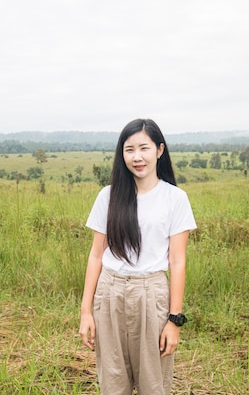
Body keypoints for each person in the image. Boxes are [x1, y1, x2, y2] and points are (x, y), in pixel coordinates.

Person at [79, 118, 197, 394]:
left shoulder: (175, 199)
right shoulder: (108, 196)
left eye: (144, 148)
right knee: (112, 381)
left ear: (159, 150)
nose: (137, 157)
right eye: (129, 149)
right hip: (109, 293)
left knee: (153, 384)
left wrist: (174, 320)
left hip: (151, 293)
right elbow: (96, 256)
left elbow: (177, 262)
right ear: (122, 155)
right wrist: (86, 312)